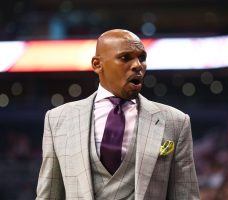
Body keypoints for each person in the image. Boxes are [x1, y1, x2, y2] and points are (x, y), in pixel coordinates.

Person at [36, 29, 200, 200]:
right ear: (97, 65)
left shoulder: (176, 122)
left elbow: (186, 196)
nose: (137, 65)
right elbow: (48, 195)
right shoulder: (58, 120)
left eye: (141, 58)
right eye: (125, 57)